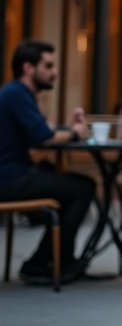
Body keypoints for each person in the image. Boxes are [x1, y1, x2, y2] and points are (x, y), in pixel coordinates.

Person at [0, 40, 95, 285]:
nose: (54, 72)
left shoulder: (17, 93)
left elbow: (43, 131)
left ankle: (54, 261)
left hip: (13, 173)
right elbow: (43, 137)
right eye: (49, 65)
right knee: (82, 189)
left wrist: (67, 128)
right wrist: (74, 133)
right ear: (28, 68)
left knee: (76, 185)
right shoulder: (17, 94)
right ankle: (45, 263)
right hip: (10, 179)